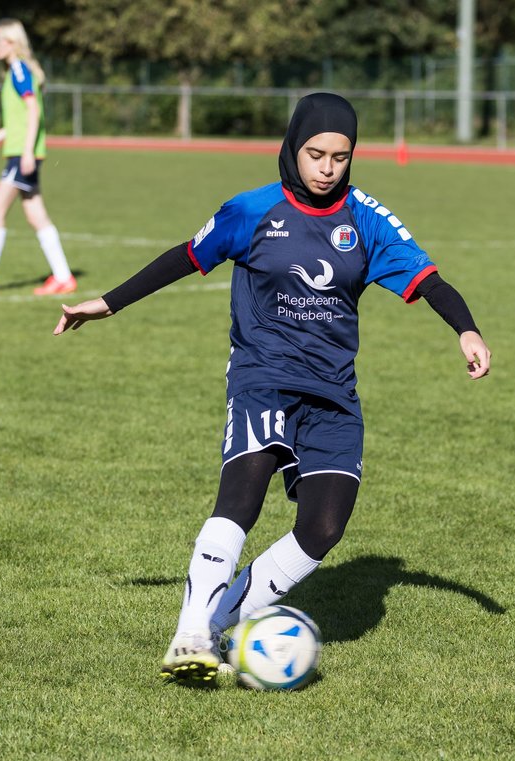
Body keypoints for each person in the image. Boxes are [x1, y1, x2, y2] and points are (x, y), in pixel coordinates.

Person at [53, 93, 492, 685]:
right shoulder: (252, 210)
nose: (327, 167)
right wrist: (107, 303)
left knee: (324, 527)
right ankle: (189, 635)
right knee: (242, 495)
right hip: (263, 377)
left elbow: (430, 281)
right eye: (316, 153)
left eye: (341, 156)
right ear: (292, 147)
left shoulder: (366, 219)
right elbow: (185, 257)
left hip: (333, 392)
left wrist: (466, 330)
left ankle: (220, 624)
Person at [0, 19, 76, 296]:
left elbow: (33, 111)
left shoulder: (20, 70)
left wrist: (26, 153)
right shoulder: (16, 71)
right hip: (21, 151)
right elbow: (21, 120)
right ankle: (63, 278)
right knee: (36, 216)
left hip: (22, 155)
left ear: (13, 42)